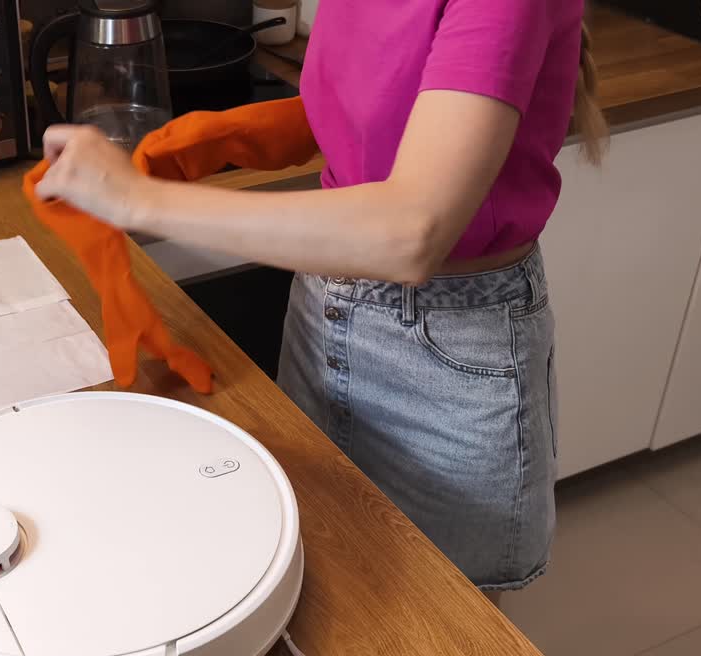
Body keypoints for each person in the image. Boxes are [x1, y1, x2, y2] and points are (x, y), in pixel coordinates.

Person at [35, 0, 607, 598]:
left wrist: (134, 199)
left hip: (447, 354)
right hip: (324, 305)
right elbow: (403, 95)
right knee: (325, 584)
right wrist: (242, 134)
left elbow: (412, 232)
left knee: (440, 632)